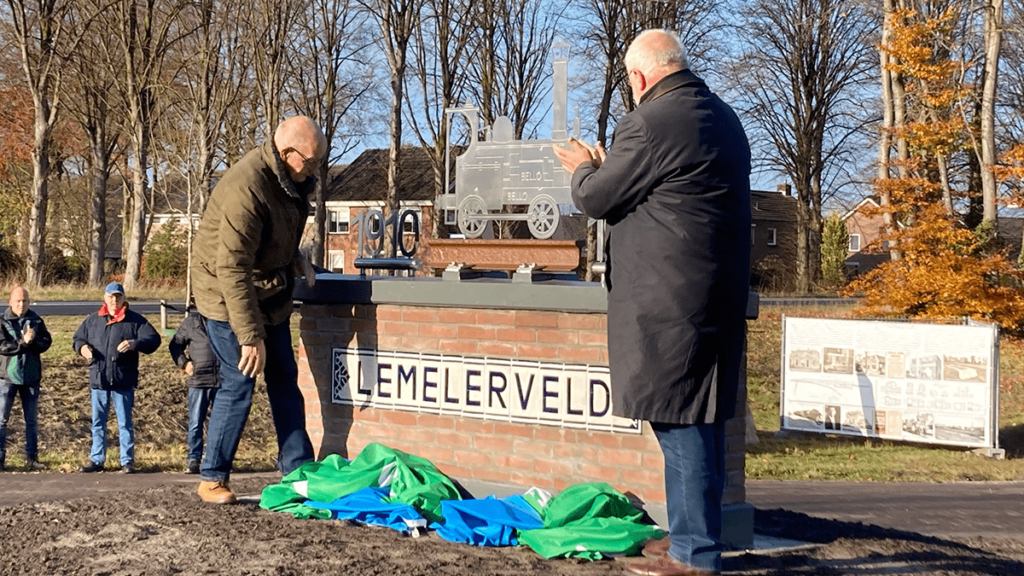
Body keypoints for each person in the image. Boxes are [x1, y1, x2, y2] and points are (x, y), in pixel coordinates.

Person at [553, 29, 751, 576]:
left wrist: (582, 165)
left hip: (669, 303)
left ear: (639, 77)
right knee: (701, 419)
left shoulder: (649, 121)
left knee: (678, 420)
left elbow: (597, 196)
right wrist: (611, 163)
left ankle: (694, 554)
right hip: (715, 296)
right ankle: (690, 535)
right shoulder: (724, 118)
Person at [191, 115, 323, 504]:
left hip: (268, 291)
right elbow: (232, 267)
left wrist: (296, 259)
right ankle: (212, 478)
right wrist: (250, 337)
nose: (315, 170)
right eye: (311, 162)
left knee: (284, 376)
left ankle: (298, 472)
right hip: (225, 294)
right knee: (240, 380)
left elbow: (274, 235)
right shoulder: (246, 188)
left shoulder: (291, 180)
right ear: (287, 153)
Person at [73, 282, 161, 474]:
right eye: (111, 297)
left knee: (125, 423)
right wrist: (82, 349)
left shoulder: (135, 321)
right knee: (97, 422)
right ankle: (97, 460)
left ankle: (127, 461)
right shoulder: (93, 320)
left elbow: (154, 340)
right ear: (105, 298)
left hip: (123, 380)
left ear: (124, 299)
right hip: (99, 380)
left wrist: (135, 343)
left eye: (118, 297)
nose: (115, 301)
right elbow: (77, 338)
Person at [0, 286, 52, 471]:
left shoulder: (36, 320)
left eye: (25, 301)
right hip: (7, 378)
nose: (22, 304)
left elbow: (46, 342)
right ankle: (0, 460)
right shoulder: (2, 321)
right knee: (2, 420)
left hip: (31, 378)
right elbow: (3, 347)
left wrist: (34, 340)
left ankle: (31, 458)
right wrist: (23, 343)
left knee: (31, 421)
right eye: (18, 301)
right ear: (10, 301)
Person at [168, 305, 220, 474]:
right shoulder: (191, 323)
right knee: (196, 423)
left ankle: (216, 459)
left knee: (219, 424)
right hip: (198, 381)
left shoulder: (226, 320)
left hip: (223, 381)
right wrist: (183, 362)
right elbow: (174, 345)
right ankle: (193, 459)